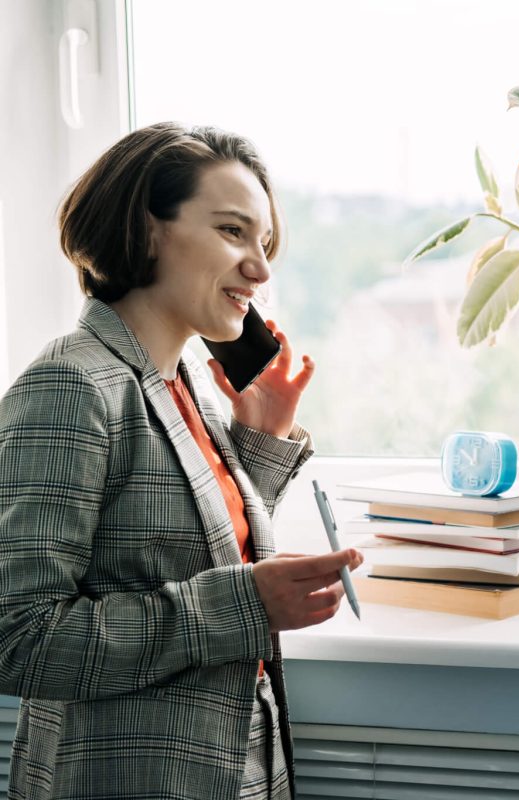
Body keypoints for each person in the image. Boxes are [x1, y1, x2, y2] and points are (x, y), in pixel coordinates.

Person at [0, 122, 363, 800]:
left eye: (265, 244)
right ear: (147, 231)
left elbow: (167, 545)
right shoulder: (71, 386)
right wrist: (247, 601)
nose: (260, 268)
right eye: (233, 233)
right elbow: (18, 638)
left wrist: (256, 444)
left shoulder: (186, 381)